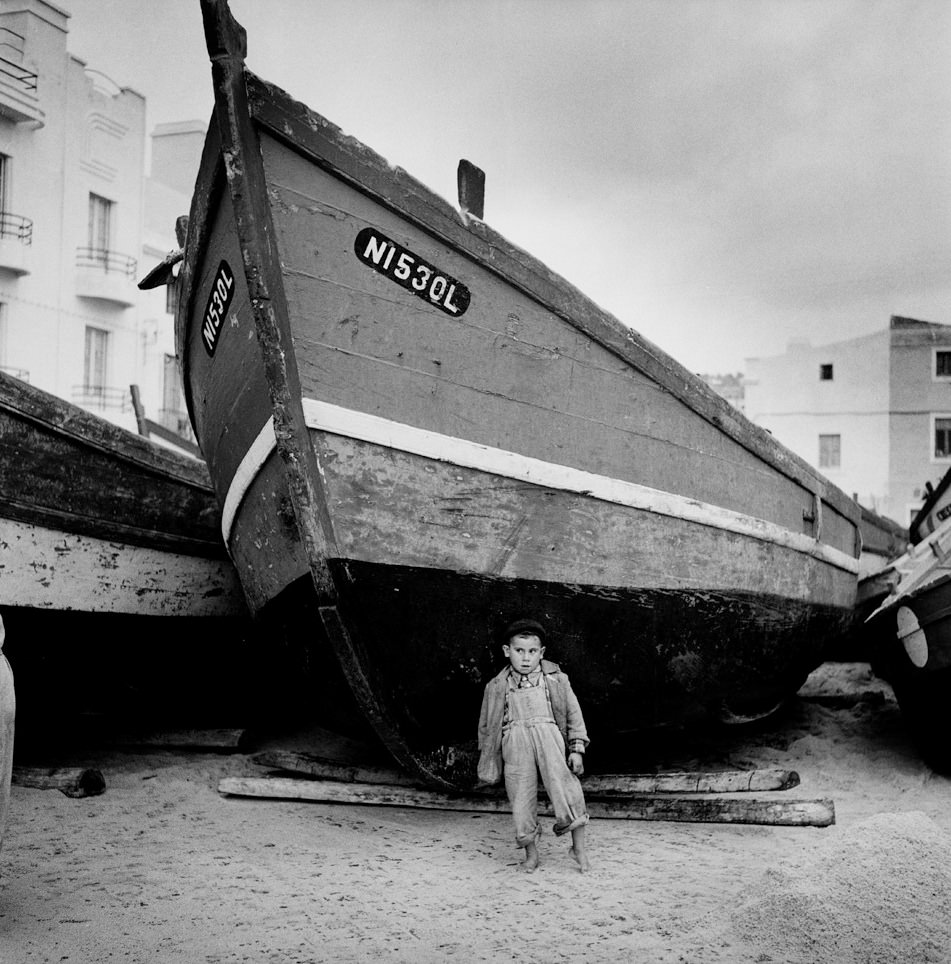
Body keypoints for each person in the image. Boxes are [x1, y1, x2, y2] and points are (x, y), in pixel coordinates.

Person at [477, 617, 590, 872]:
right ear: (507, 651)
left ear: (542, 653)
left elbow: (574, 715)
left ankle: (579, 849)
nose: (525, 658)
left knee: (565, 789)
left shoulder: (557, 679)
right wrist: (489, 756)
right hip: (515, 743)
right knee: (520, 796)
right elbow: (486, 725)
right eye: (519, 651)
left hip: (549, 738)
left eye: (532, 652)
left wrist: (576, 749)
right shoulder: (496, 687)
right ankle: (531, 854)